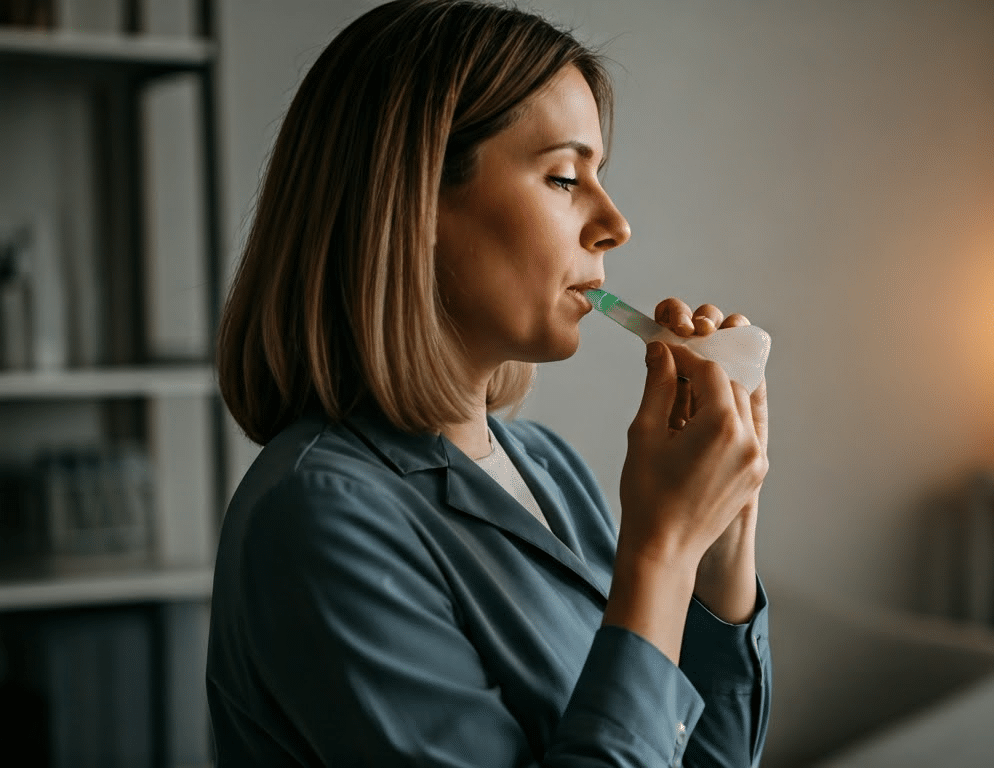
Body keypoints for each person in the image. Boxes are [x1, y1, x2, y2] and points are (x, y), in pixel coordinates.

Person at [204, 1, 772, 765]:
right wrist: (661, 548)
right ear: (416, 203)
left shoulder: (548, 468)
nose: (615, 222)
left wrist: (718, 541)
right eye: (565, 177)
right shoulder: (318, 519)